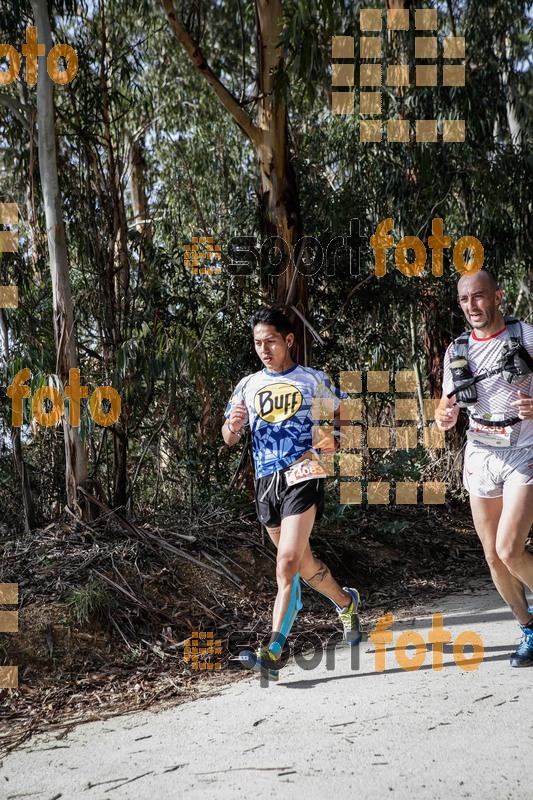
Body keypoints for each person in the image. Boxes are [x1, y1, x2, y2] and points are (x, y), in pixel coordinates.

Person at [222, 307, 361, 682]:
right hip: (266, 482)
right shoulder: (247, 385)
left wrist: (336, 439)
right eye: (257, 342)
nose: (263, 349)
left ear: (288, 340)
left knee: (286, 564)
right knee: (302, 566)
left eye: (270, 341)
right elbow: (229, 436)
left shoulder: (313, 379)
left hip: (304, 472)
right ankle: (346, 601)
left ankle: (273, 651)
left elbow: (345, 416)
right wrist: (233, 428)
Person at [436, 268, 533, 667]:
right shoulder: (456, 350)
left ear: (497, 296)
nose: (472, 306)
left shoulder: (526, 336)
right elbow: (447, 404)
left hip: (524, 447)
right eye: (464, 299)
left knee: (511, 548)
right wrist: (443, 416)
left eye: (478, 296)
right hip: (480, 450)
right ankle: (528, 627)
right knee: (493, 555)